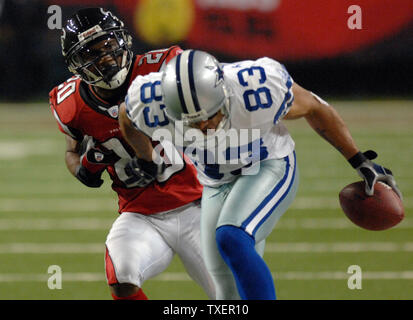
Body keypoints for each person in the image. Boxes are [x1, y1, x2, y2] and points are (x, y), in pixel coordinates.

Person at [119, 49, 402, 300]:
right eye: (192, 122)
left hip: (269, 165)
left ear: (224, 94)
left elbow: (315, 106)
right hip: (216, 183)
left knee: (231, 237)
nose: (203, 127)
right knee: (224, 289)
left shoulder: (255, 89)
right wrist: (146, 159)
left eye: (209, 116)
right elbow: (127, 118)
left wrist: (358, 159)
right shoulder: (148, 101)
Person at [49, 10, 215, 300]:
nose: (106, 58)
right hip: (140, 213)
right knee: (122, 277)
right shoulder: (71, 104)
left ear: (123, 40)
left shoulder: (164, 69)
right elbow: (71, 152)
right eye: (92, 53)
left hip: (198, 205)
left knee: (232, 295)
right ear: (76, 64)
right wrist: (82, 170)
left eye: (108, 45)